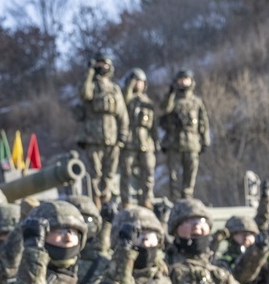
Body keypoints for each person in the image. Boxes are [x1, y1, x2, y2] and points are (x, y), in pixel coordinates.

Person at [76, 51, 129, 208]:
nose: (102, 67)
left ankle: (106, 200)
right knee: (94, 173)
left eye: (105, 64)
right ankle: (96, 201)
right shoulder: (91, 85)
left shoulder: (114, 89)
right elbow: (84, 94)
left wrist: (123, 135)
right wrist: (90, 72)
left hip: (112, 138)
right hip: (93, 137)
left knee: (109, 172)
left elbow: (122, 114)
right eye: (99, 64)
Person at [160, 69, 210, 200]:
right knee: (173, 176)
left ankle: (187, 198)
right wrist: (170, 93)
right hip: (174, 142)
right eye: (180, 79)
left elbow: (203, 122)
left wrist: (205, 141)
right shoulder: (173, 100)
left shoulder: (196, 102)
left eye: (185, 79)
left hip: (192, 143)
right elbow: (164, 109)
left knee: (190, 174)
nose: (183, 82)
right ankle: (175, 200)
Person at [121, 68, 157, 208]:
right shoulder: (125, 98)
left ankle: (146, 199)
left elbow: (153, 124)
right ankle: (126, 200)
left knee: (148, 171)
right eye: (136, 81)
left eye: (141, 82)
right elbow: (123, 102)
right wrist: (129, 86)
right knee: (126, 172)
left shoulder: (147, 102)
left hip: (146, 141)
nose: (138, 84)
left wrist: (155, 139)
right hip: (129, 140)